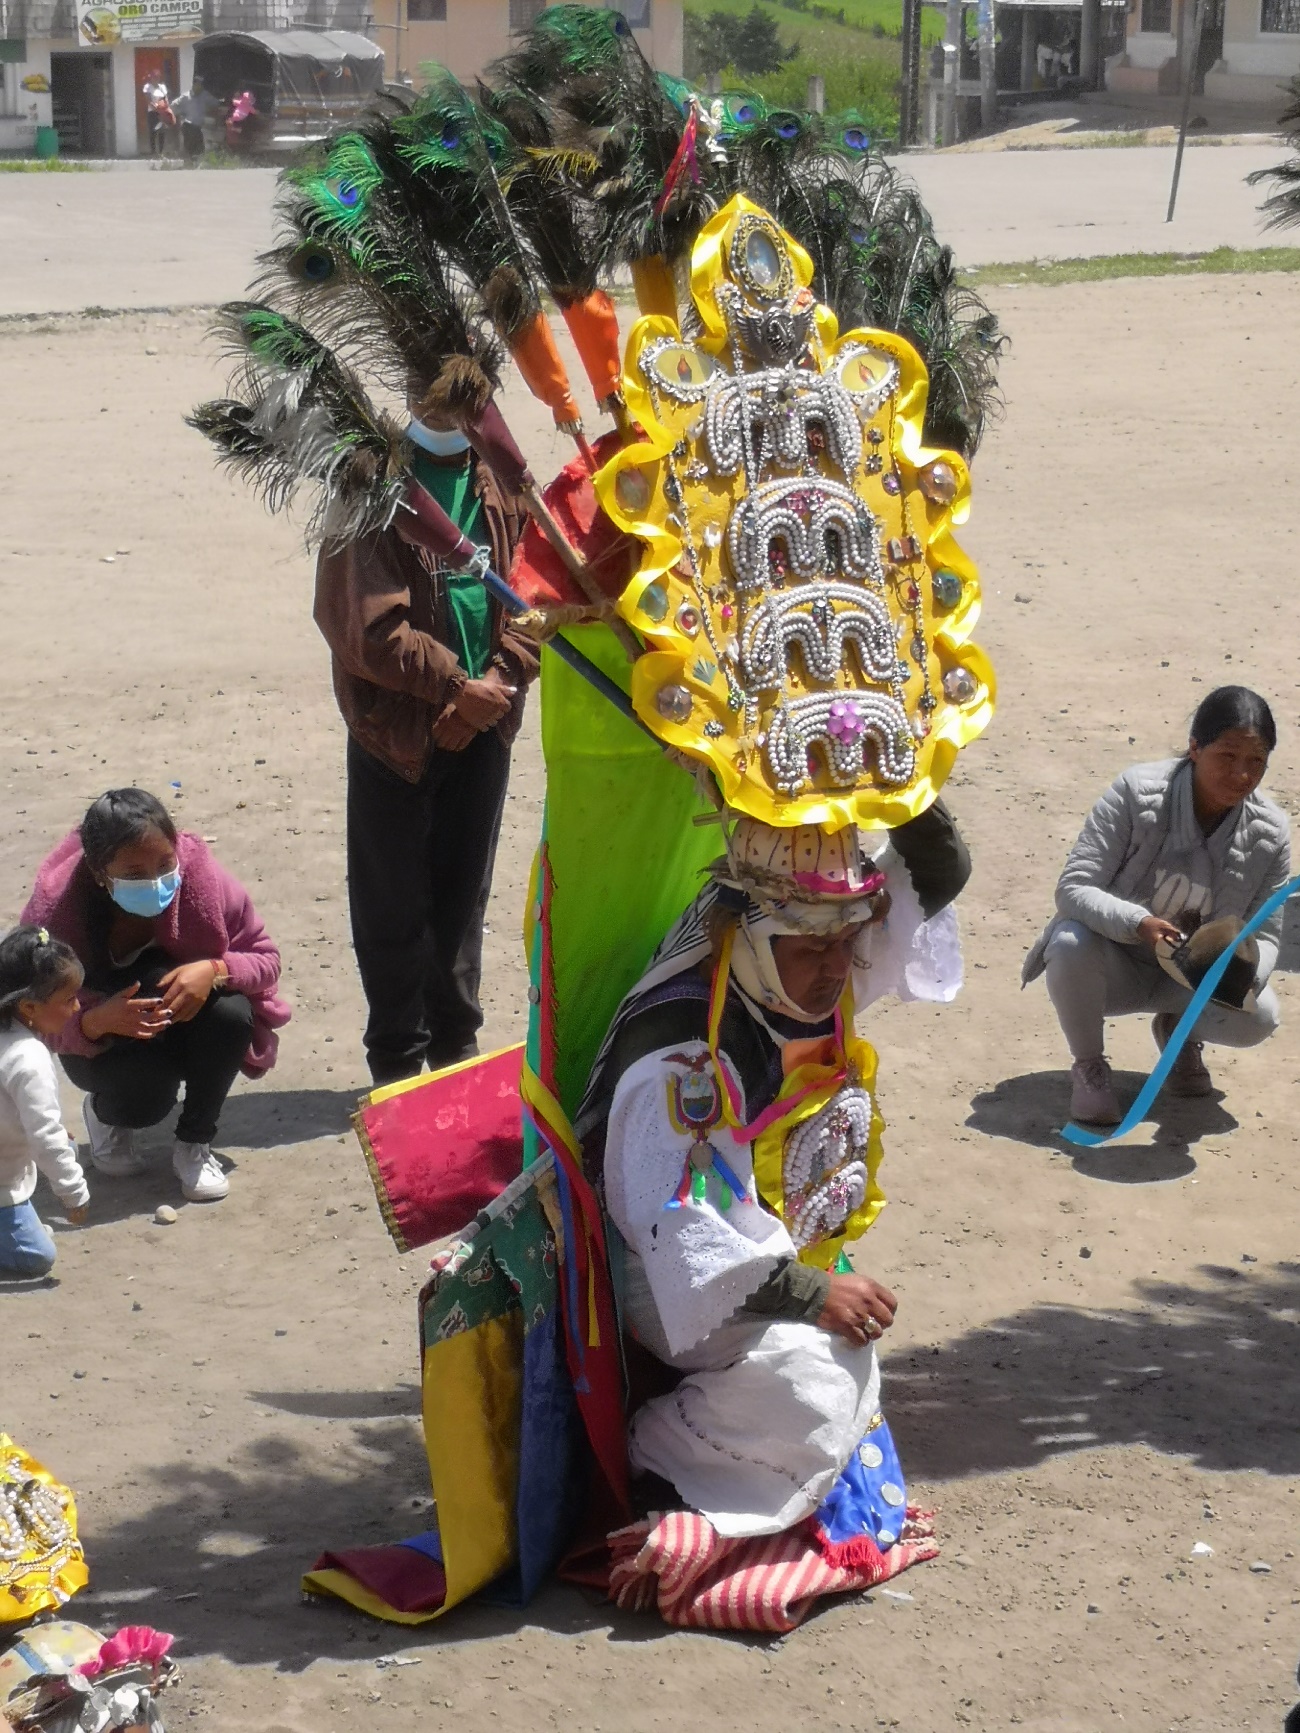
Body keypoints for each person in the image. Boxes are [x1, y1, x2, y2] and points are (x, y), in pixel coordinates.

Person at [576, 814, 967, 1545]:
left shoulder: (795, 965)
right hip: (677, 1287)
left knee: (845, 1367)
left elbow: (933, 878)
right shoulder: (687, 1053)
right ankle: (663, 1448)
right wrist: (814, 1293)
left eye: (846, 943)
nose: (837, 967)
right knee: (821, 1392)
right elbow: (687, 1240)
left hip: (763, 1245)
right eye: (816, 948)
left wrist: (901, 786)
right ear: (756, 935)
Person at [313, 412, 539, 1086]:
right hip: (398, 734)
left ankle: (453, 1049)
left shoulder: (503, 478)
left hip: (486, 722)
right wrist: (453, 688)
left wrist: (496, 681)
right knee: (392, 901)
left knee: (463, 898)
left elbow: (540, 593)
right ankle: (396, 1058)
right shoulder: (370, 480)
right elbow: (361, 626)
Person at [1023, 686, 1290, 1125]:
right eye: (1227, 756)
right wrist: (1138, 922)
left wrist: (1241, 975)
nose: (1242, 775)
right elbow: (1073, 888)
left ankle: (1179, 1035)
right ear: (1195, 748)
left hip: (1189, 981)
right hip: (1112, 965)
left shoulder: (1271, 832)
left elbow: (1268, 934)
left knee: (1259, 1016)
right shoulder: (1135, 793)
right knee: (1069, 942)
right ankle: (1090, 1067)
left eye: (1256, 762)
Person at [21, 788, 290, 1202]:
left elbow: (266, 959)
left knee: (233, 1015)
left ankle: (195, 1143)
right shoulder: (55, 916)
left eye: (165, 865)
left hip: (183, 1023)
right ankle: (108, 1116)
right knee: (146, 1098)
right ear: (98, 873)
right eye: (133, 874)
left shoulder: (204, 879)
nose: (154, 881)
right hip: (110, 1046)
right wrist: (92, 1022)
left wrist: (216, 970)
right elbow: (28, 1015)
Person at [0, 927, 90, 1280]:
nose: (77, 1007)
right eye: (69, 999)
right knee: (37, 1257)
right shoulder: (29, 1057)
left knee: (66, 1145)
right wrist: (74, 1194)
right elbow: (45, 1136)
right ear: (29, 1007)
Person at [142, 78, 175, 158]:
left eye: (156, 77)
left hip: (162, 111)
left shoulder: (162, 87)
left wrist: (166, 108)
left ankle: (161, 151)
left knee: (162, 130)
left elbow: (165, 98)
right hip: (152, 111)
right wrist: (154, 107)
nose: (155, 79)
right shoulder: (147, 87)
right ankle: (153, 151)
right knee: (153, 131)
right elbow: (147, 98)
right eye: (154, 77)